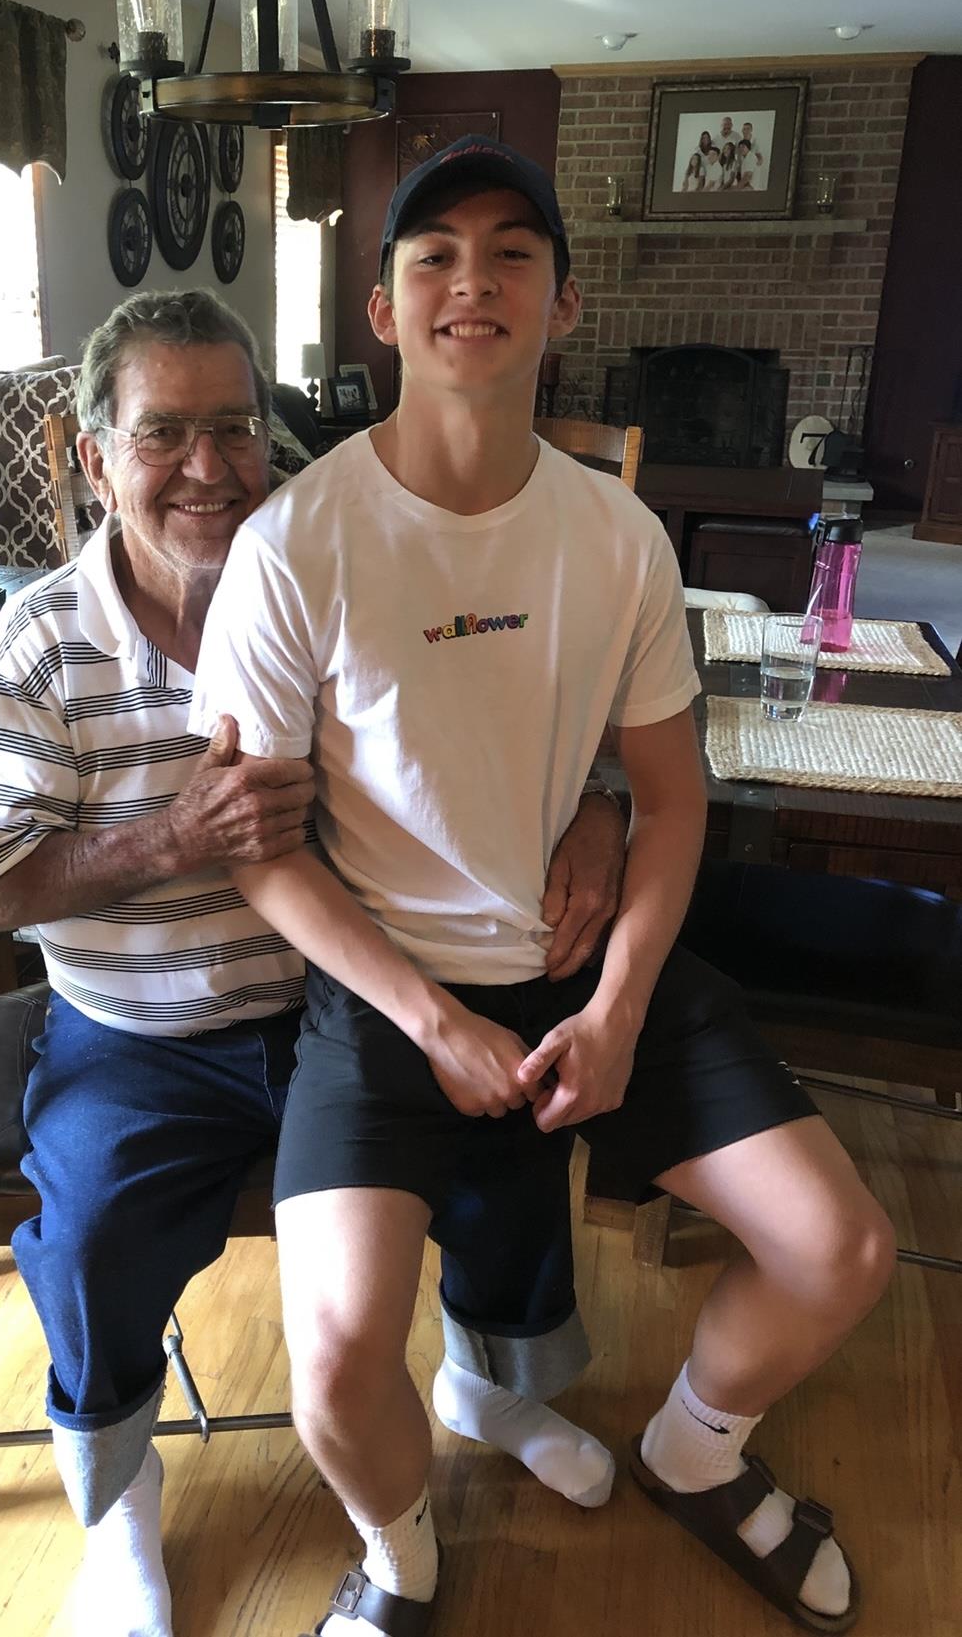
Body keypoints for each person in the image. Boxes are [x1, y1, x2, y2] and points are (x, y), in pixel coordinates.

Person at [189, 136, 893, 1635]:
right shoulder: (290, 547)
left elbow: (670, 792)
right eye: (432, 253)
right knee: (328, 1361)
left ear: (563, 302)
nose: (470, 281)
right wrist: (429, 1015)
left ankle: (695, 1450)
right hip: (385, 993)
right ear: (381, 308)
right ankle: (396, 1560)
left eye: (511, 252)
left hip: (587, 965)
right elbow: (257, 848)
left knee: (841, 1246)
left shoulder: (616, 536)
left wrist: (625, 1000)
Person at [0, 288, 629, 1636]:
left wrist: (599, 793)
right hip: (137, 1029)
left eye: (237, 429)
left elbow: (528, 689)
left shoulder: (347, 555)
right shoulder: (37, 642)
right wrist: (170, 837)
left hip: (349, 998)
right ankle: (118, 1505)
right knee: (87, 1231)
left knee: (511, 1141)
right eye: (162, 435)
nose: (208, 468)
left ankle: (491, 1383)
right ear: (90, 456)